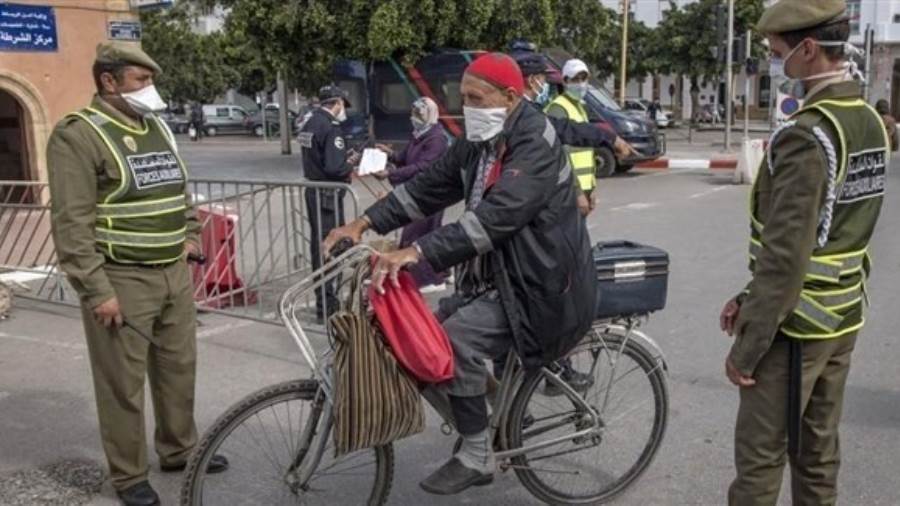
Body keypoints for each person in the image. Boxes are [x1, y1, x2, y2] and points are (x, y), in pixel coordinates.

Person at [324, 53, 597, 495]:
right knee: (417, 338)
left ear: (510, 97)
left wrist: (417, 251)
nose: (465, 105)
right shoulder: (481, 137)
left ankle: (477, 453)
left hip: (540, 285)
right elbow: (429, 187)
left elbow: (499, 215)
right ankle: (496, 405)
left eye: (475, 97)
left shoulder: (534, 141)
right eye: (462, 96)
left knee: (454, 342)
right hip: (498, 276)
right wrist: (364, 223)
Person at [720, 1, 888, 504]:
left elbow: (787, 254)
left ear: (809, 49)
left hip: (795, 329)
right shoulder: (869, 123)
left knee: (759, 462)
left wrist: (747, 346)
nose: (775, 63)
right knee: (817, 455)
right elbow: (828, 234)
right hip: (842, 320)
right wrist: (748, 295)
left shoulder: (808, 135)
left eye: (777, 53)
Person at [46, 42, 228, 506]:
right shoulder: (78, 135)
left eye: (150, 81)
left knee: (178, 368)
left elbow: (180, 191)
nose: (150, 91)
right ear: (108, 81)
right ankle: (128, 476)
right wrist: (96, 289)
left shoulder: (157, 128)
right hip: (121, 278)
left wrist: (189, 238)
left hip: (172, 272)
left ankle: (178, 448)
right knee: (121, 382)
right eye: (140, 81)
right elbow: (72, 222)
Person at [373, 97, 449, 293]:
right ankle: (438, 274)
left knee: (418, 234)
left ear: (429, 115)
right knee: (423, 232)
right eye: (413, 113)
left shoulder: (437, 138)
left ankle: (430, 280)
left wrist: (391, 173)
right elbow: (404, 157)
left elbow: (424, 166)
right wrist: (389, 154)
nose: (414, 118)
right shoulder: (419, 134)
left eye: (419, 114)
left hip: (430, 193)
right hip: (417, 192)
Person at [298, 85, 359, 321]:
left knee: (319, 246)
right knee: (329, 246)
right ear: (337, 103)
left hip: (314, 191)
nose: (343, 110)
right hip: (328, 196)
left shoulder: (309, 122)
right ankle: (328, 306)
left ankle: (325, 302)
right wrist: (350, 163)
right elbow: (335, 167)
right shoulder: (331, 127)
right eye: (343, 105)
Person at [545, 59, 599, 215]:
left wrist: (592, 187)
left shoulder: (580, 107)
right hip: (567, 190)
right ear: (565, 81)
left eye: (584, 78)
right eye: (575, 79)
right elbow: (561, 154)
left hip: (584, 188)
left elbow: (588, 154)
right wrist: (577, 191)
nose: (581, 84)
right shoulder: (558, 109)